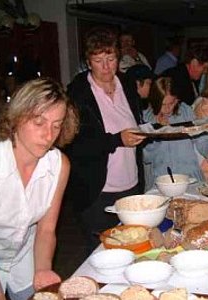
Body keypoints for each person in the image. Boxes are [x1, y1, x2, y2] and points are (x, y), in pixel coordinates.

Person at [0, 78, 79, 300]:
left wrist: (42, 268)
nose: (49, 135)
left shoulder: (59, 166)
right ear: (17, 116)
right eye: (39, 122)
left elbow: (46, 230)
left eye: (57, 125)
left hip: (24, 256)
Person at [64, 27, 146, 253]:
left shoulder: (126, 84)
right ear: (88, 62)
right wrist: (117, 140)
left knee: (134, 247)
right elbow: (75, 144)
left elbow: (135, 122)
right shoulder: (78, 93)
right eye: (99, 60)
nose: (106, 66)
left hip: (131, 182)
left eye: (111, 59)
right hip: (98, 189)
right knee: (103, 251)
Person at [142, 77, 208, 190]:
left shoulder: (185, 111)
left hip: (190, 176)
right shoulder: (146, 118)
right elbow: (146, 157)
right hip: (163, 181)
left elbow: (201, 138)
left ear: (177, 100)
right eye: (163, 104)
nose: (167, 109)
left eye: (171, 103)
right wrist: (158, 132)